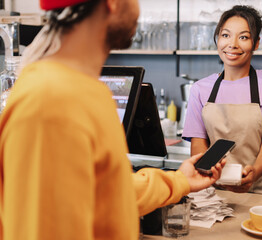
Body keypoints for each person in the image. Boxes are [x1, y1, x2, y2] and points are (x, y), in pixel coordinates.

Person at [0, 0, 225, 239]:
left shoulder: (81, 91)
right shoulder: (52, 101)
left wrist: (179, 181)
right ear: (113, 3)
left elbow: (108, 192)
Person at [182, 5, 262, 196]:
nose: (232, 44)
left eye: (243, 37)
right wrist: (210, 173)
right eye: (225, 35)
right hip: (213, 196)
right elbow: (198, 145)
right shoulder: (200, 89)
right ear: (218, 39)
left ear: (256, 43)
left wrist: (254, 173)